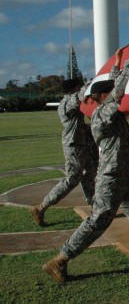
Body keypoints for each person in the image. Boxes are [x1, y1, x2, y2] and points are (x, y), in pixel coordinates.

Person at [42, 40, 129, 283]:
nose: (114, 95)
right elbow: (119, 89)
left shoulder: (106, 109)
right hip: (111, 178)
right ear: (104, 96)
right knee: (98, 220)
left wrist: (116, 61)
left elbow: (113, 86)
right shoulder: (103, 114)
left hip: (122, 175)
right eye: (109, 93)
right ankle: (60, 260)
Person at [30, 77, 98, 226]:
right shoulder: (68, 102)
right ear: (73, 89)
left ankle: (96, 209)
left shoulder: (67, 100)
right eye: (78, 86)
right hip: (73, 145)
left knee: (90, 174)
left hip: (81, 144)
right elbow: (81, 95)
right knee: (71, 180)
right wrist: (92, 82)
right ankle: (41, 207)